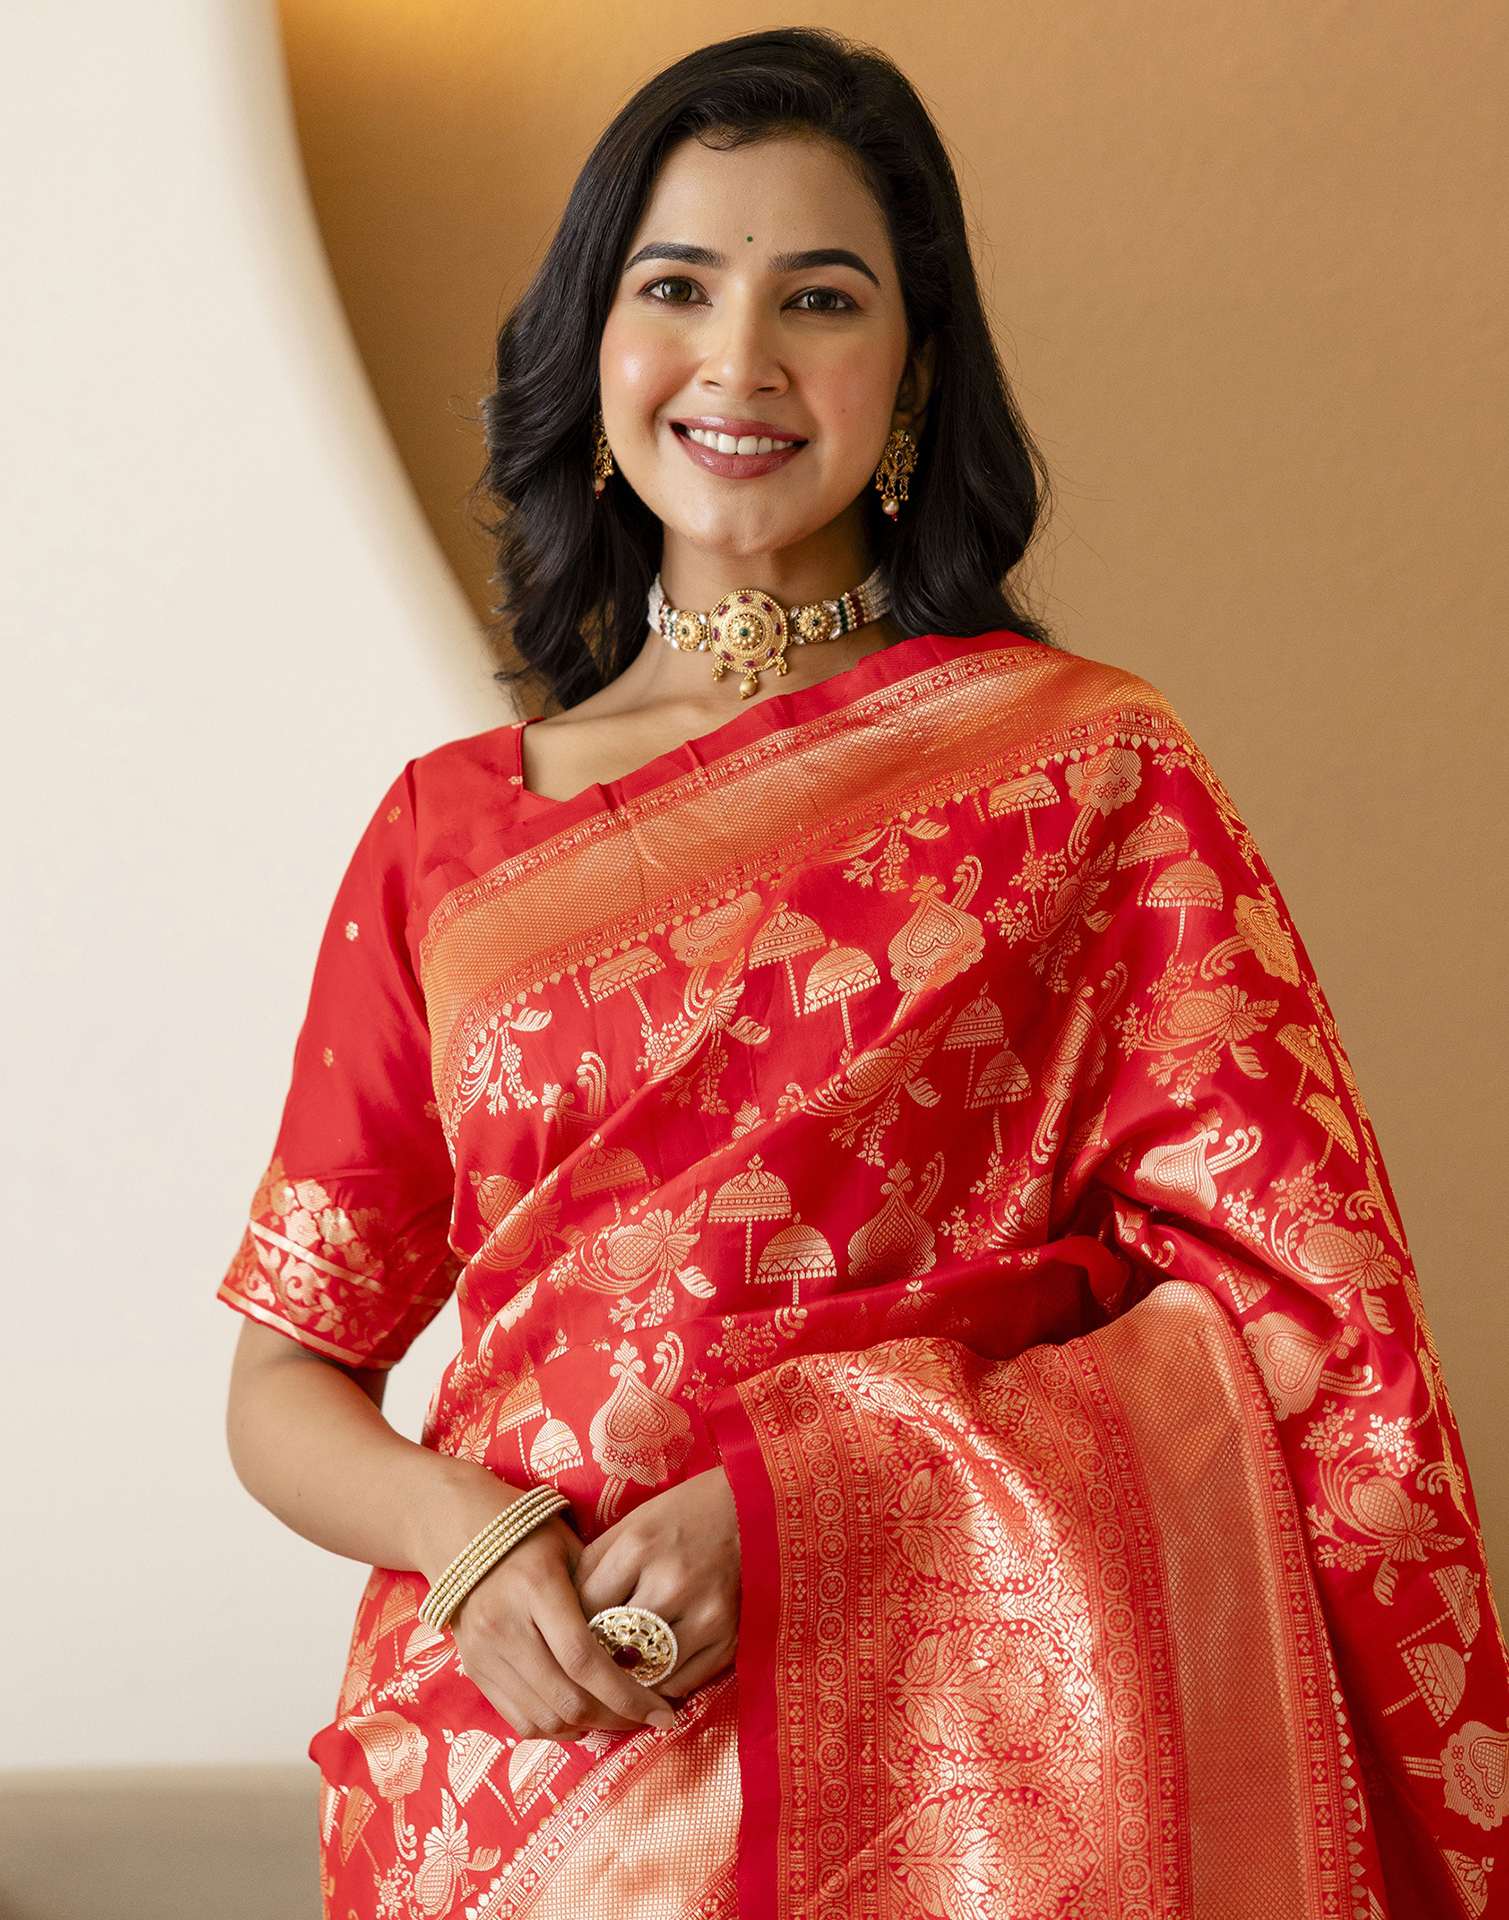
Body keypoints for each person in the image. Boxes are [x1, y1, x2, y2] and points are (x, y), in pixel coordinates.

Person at [217, 27, 1509, 1919]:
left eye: (817, 298)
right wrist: (474, 1541)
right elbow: (284, 1376)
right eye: (676, 287)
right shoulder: (447, 833)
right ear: (597, 353)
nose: (739, 358)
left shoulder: (1085, 774)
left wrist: (810, 1503)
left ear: (906, 385)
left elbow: (1294, 1320)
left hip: (961, 1785)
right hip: (519, 1782)